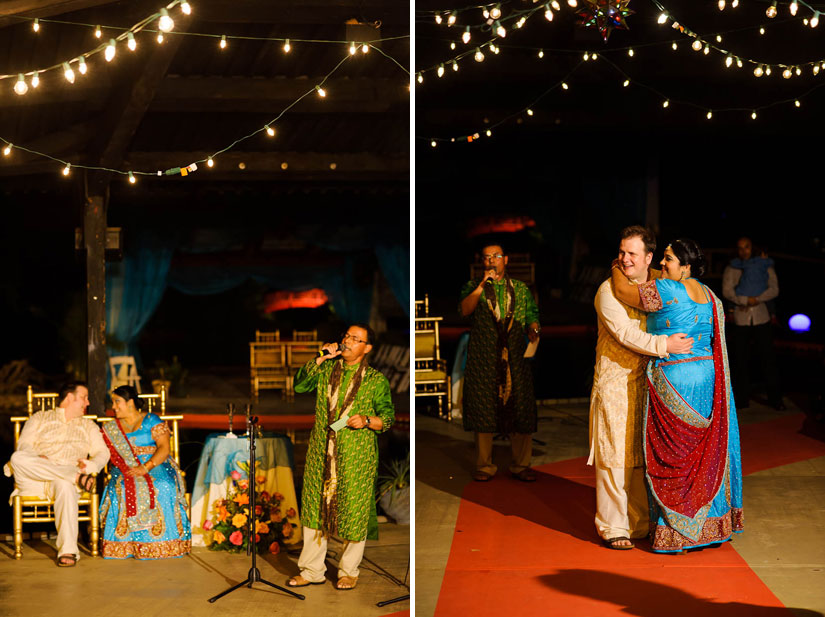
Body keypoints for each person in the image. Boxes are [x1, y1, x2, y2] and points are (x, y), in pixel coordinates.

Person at [611, 238, 744, 553]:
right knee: (700, 453)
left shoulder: (668, 290)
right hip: (707, 377)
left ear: (685, 267)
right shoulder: (712, 297)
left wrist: (617, 267)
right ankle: (710, 527)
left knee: (675, 454)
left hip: (675, 377)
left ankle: (677, 530)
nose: (661, 265)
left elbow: (623, 292)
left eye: (668, 260)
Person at [589, 226, 694, 550]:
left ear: (650, 257)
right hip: (614, 381)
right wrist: (666, 344)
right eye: (622, 252)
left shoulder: (657, 288)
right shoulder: (608, 290)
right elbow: (625, 334)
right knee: (613, 455)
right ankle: (612, 526)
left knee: (638, 457)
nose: (624, 259)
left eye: (632, 253)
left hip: (648, 382)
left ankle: (635, 523)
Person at [287, 323, 395, 591]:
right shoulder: (325, 369)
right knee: (314, 508)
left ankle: (348, 570)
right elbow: (299, 386)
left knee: (354, 510)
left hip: (356, 454)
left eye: (355, 339)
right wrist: (321, 357)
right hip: (321, 451)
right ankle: (312, 570)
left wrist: (368, 420)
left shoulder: (374, 380)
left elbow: (389, 419)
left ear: (367, 348)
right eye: (347, 335)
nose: (347, 341)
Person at [460, 243, 541, 482]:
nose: (491, 261)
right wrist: (482, 284)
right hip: (484, 357)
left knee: (521, 407)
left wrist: (534, 329)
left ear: (505, 259)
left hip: (515, 355)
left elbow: (532, 316)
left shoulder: (520, 288)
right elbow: (465, 310)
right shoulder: (472, 286)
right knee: (483, 408)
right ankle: (484, 465)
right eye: (486, 257)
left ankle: (521, 464)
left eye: (495, 256)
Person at [6, 382, 110, 567]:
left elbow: (103, 453)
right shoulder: (39, 418)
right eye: (84, 398)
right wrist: (36, 457)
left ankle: (68, 551)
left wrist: (92, 465)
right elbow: (24, 446)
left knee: (64, 485)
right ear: (70, 397)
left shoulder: (88, 426)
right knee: (17, 458)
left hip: (65, 485)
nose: (87, 403)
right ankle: (73, 475)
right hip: (34, 479)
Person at [99, 385, 191, 559]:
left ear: (130, 402)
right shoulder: (113, 427)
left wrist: (145, 467)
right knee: (122, 486)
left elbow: (164, 448)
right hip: (125, 467)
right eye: (113, 402)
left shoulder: (151, 420)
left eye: (117, 402)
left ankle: (166, 543)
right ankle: (127, 546)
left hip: (155, 463)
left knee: (163, 485)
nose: (114, 407)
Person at [722, 237, 783, 410]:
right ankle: (742, 399)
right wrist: (743, 300)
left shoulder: (764, 265)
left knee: (768, 359)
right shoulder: (732, 267)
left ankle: (775, 399)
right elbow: (727, 291)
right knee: (741, 360)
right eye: (740, 248)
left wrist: (757, 299)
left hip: (761, 316)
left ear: (752, 248)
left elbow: (774, 288)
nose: (744, 251)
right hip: (741, 318)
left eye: (747, 247)